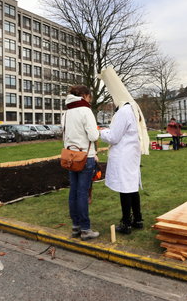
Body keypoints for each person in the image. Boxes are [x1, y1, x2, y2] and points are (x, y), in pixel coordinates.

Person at [99, 67, 150, 235]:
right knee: (132, 187)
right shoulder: (134, 108)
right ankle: (138, 219)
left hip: (124, 155)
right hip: (132, 154)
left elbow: (113, 137)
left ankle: (126, 222)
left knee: (125, 189)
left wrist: (100, 131)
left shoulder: (124, 111)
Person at [63, 85, 100, 241]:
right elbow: (93, 135)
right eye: (90, 97)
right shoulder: (85, 111)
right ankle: (85, 229)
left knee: (74, 192)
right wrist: (98, 131)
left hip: (70, 156)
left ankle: (76, 226)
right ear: (85, 96)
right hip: (85, 156)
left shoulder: (66, 112)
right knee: (83, 193)